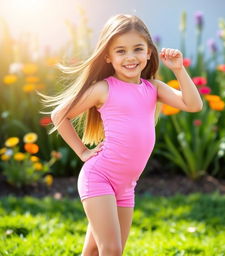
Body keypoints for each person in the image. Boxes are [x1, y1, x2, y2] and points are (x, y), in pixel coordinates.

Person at [38, 13, 203, 256]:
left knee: (96, 250)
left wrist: (179, 70)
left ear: (149, 52)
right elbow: (59, 115)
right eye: (121, 51)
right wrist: (82, 151)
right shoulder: (103, 89)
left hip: (126, 186)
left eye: (137, 49)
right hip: (99, 177)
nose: (130, 57)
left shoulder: (153, 88)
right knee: (111, 250)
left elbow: (193, 104)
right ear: (108, 56)